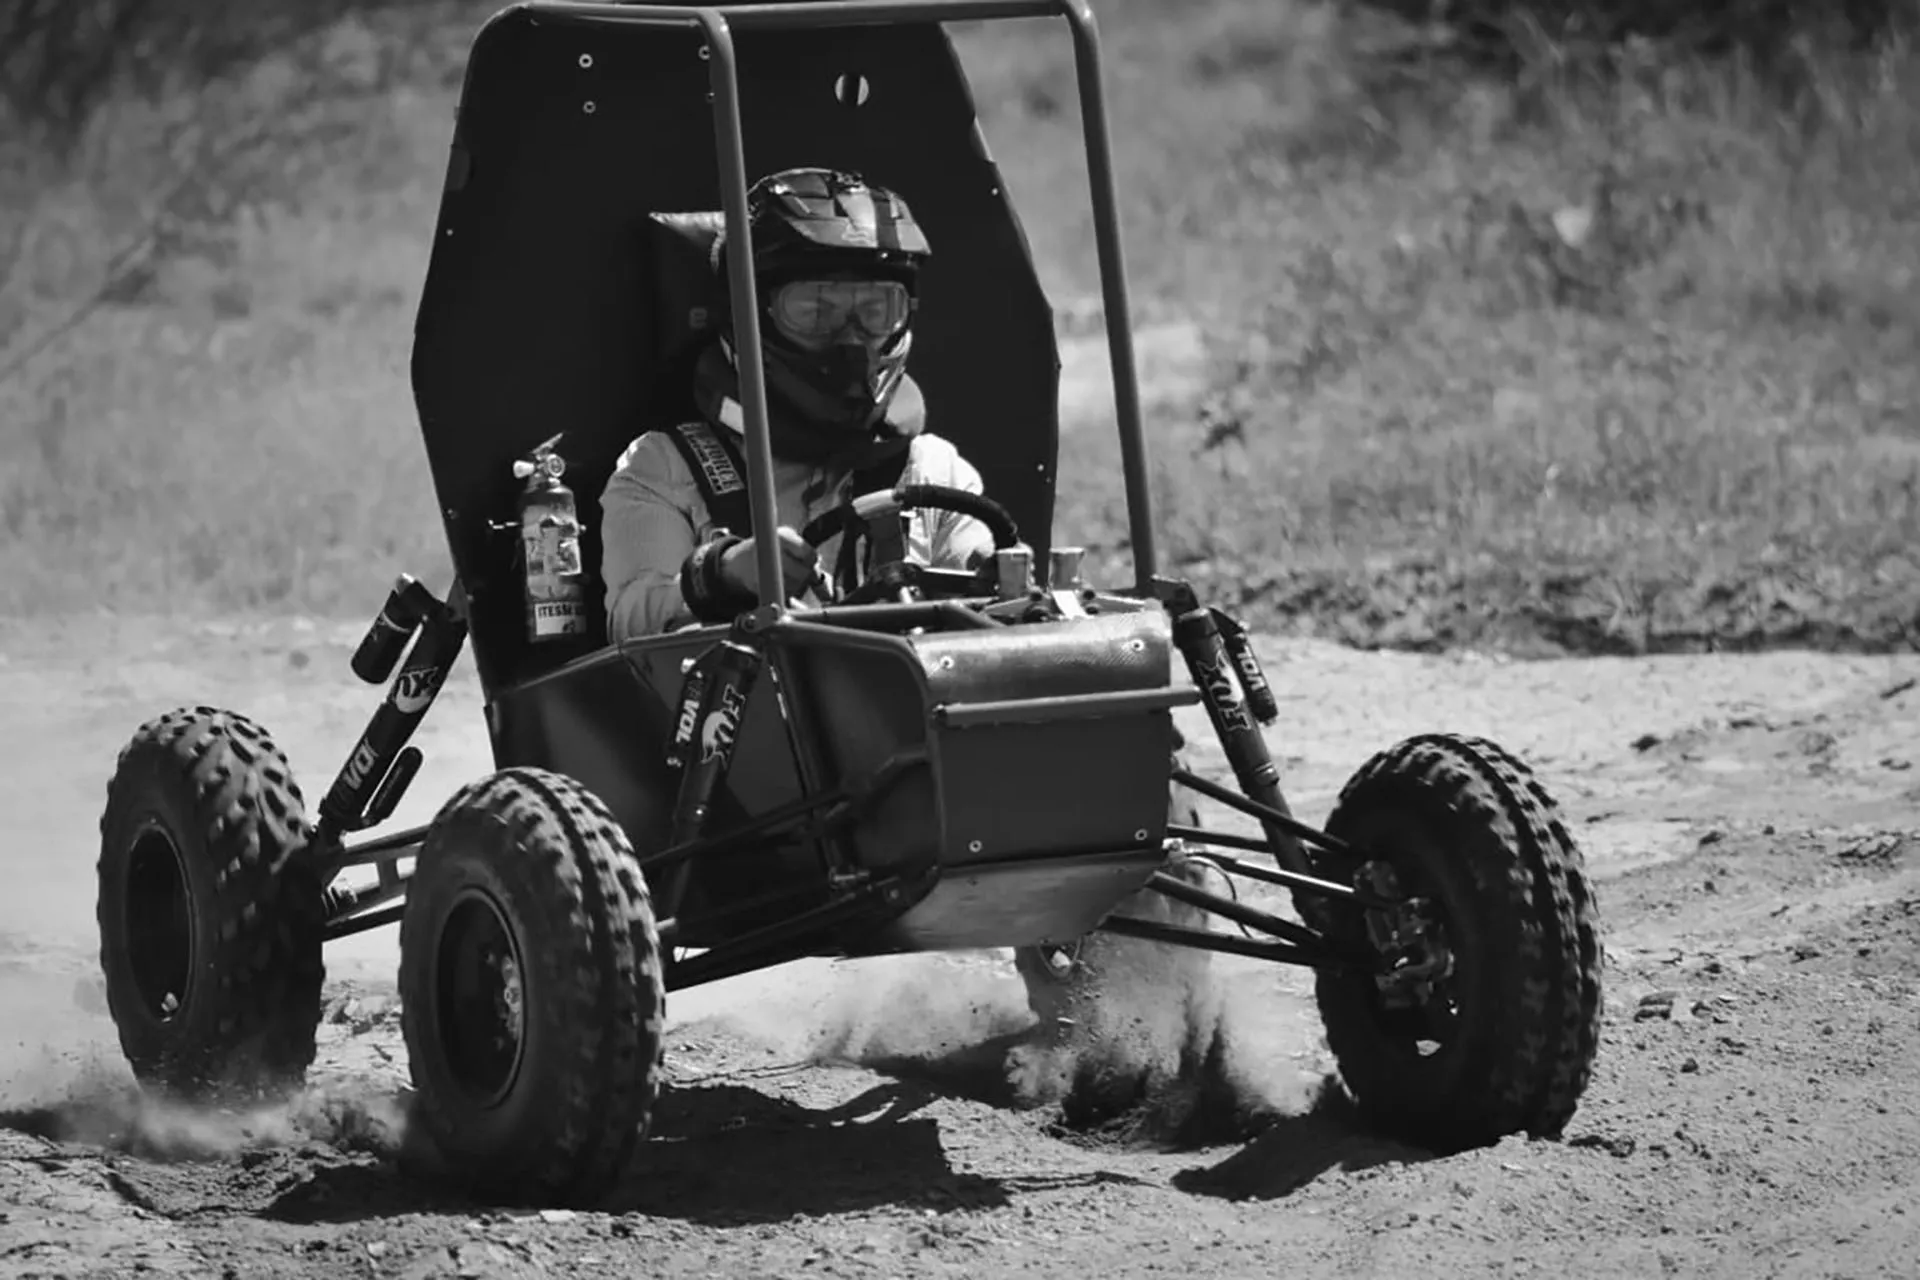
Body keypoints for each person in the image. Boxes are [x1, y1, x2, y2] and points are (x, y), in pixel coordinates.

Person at [600, 166, 997, 642]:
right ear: (750, 316)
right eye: (813, 311)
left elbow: (988, 620)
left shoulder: (935, 470)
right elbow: (629, 624)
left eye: (874, 312)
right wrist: (723, 574)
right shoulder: (662, 467)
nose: (850, 342)